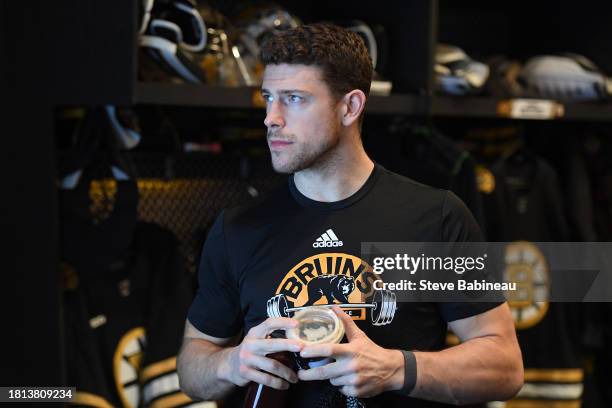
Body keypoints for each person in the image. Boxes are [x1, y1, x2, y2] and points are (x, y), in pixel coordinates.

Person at [177, 23, 523, 407]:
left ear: (350, 107)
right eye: (268, 97)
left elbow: (504, 366)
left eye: (293, 98)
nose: (270, 118)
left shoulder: (436, 218)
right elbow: (192, 366)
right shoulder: (237, 229)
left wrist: (395, 369)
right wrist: (231, 364)